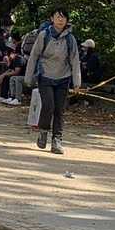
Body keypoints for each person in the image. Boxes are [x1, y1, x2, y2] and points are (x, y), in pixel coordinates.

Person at [26, 8, 82, 154]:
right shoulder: (44, 35)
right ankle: (43, 131)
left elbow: (75, 60)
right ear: (52, 19)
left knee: (59, 109)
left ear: (67, 20)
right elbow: (34, 56)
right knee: (48, 105)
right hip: (45, 76)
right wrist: (28, 77)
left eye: (63, 17)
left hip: (63, 78)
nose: (60, 20)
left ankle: (57, 140)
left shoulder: (70, 39)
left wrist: (77, 82)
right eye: (58, 16)